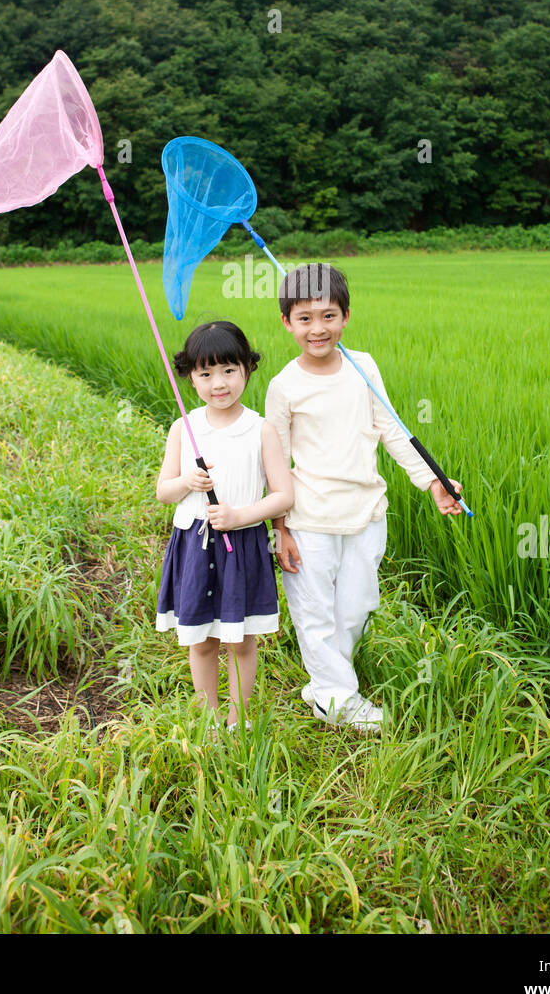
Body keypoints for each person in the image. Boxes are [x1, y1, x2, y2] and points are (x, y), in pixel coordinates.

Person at [264, 263, 463, 732]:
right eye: (305, 318)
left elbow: (392, 430)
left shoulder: (363, 366)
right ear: (287, 323)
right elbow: (276, 463)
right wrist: (281, 528)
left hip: (367, 512)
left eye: (328, 315)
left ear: (346, 316)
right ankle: (338, 700)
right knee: (314, 615)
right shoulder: (283, 387)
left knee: (355, 608)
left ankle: (324, 686)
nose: (318, 328)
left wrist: (433, 481)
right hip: (309, 519)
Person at [155, 320, 294, 733]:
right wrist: (186, 482)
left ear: (247, 370)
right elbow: (164, 491)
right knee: (202, 639)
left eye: (229, 370)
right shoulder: (184, 427)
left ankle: (240, 719)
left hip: (243, 544)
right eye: (206, 373)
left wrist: (238, 517)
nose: (219, 383)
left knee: (240, 639)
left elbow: (283, 495)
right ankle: (208, 719)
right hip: (194, 546)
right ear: (190, 378)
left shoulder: (260, 429)